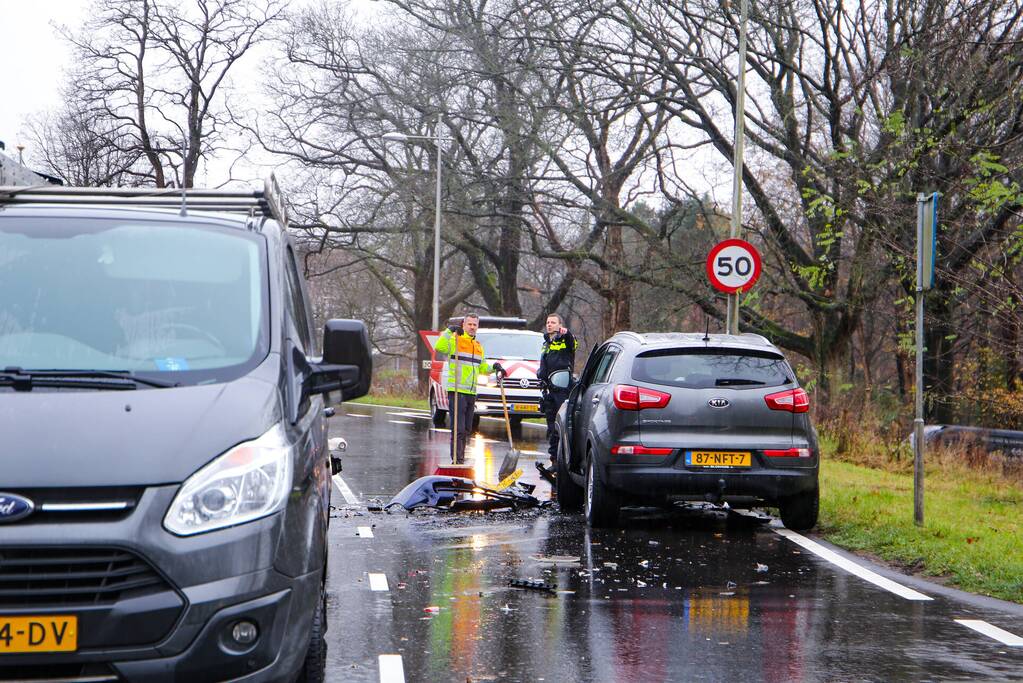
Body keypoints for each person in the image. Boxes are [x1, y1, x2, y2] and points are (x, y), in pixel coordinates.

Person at [434, 313, 504, 464]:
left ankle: (460, 458)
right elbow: (439, 346)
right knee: (458, 428)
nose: (472, 327)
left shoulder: (478, 346)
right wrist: (449, 331)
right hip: (457, 391)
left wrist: (495, 367)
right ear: (464, 325)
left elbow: (483, 367)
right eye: (469, 324)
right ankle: (457, 460)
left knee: (466, 429)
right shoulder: (455, 340)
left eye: (475, 325)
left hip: (471, 392)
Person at [537, 313, 577, 464]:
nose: (549, 325)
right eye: (548, 322)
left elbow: (573, 344)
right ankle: (553, 459)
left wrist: (567, 334)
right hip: (548, 391)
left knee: (560, 426)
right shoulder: (546, 343)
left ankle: (562, 460)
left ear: (560, 325)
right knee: (551, 427)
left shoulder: (565, 340)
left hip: (561, 390)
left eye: (553, 322)